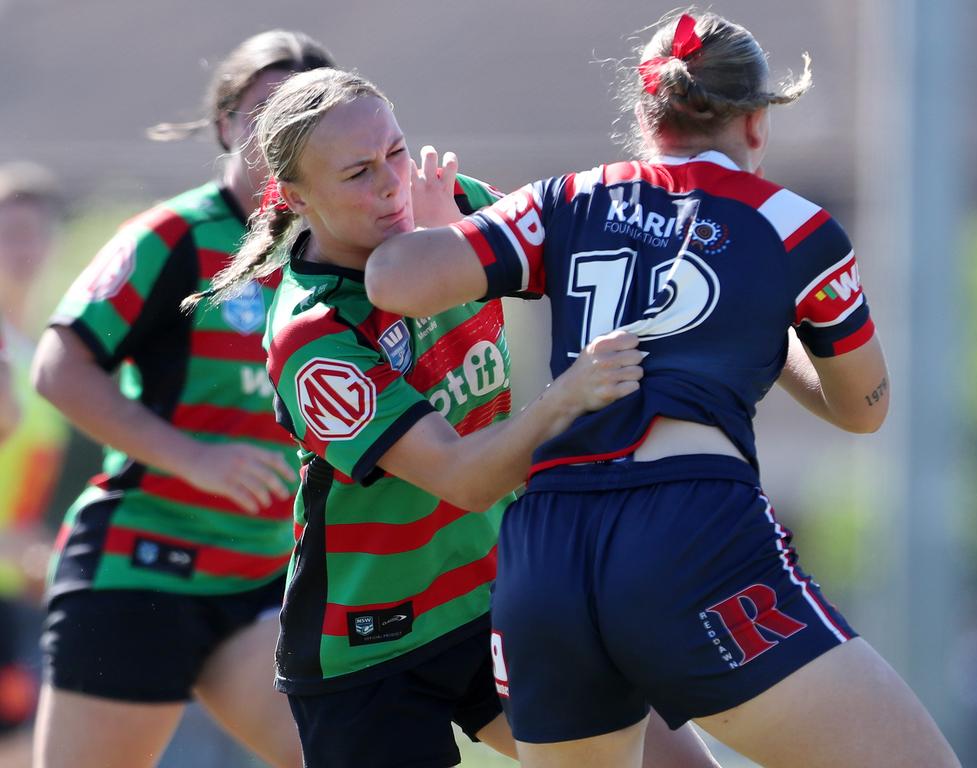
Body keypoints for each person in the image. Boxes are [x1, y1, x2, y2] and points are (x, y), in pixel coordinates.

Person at [365, 9, 963, 768]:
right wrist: (768, 334)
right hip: (690, 534)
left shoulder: (566, 198)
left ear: (647, 116)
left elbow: (393, 280)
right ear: (755, 121)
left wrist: (428, 230)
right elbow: (862, 409)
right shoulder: (793, 225)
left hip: (546, 554)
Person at [193, 66, 721, 768]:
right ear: (298, 198)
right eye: (357, 173)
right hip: (369, 647)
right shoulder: (311, 335)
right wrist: (570, 394)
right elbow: (463, 477)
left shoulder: (453, 206)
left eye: (396, 152)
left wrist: (460, 251)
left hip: (498, 595)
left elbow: (597, 252)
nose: (391, 185)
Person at [29, 31, 337, 768]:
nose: (281, 130)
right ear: (228, 123)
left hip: (262, 581)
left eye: (305, 112)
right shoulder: (176, 235)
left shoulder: (329, 251)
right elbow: (58, 367)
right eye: (265, 111)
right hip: (142, 568)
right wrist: (192, 458)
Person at [0, 162, 70, 765]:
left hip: (15, 598)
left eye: (33, 233)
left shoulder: (42, 352)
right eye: (7, 233)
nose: (23, 250)